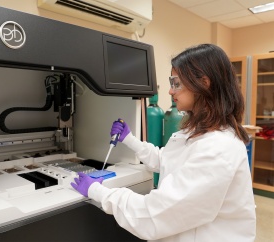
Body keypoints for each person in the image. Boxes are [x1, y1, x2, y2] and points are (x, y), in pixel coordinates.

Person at [71, 44, 256, 242]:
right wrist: (130, 140)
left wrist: (98, 192)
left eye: (176, 83)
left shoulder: (218, 147)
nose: (170, 91)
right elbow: (169, 160)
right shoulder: (199, 131)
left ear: (204, 83)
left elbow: (154, 215)